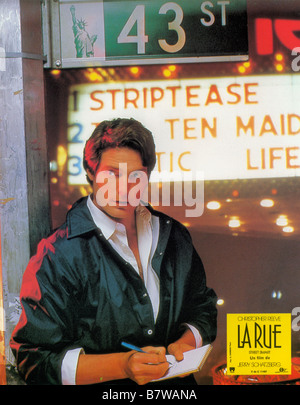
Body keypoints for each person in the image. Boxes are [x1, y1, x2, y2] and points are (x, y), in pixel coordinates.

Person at [10, 118, 217, 385]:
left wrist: (187, 342)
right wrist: (124, 365)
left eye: (135, 177)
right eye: (111, 175)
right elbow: (34, 360)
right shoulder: (57, 253)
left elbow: (203, 308)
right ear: (91, 172)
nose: (124, 189)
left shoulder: (174, 235)